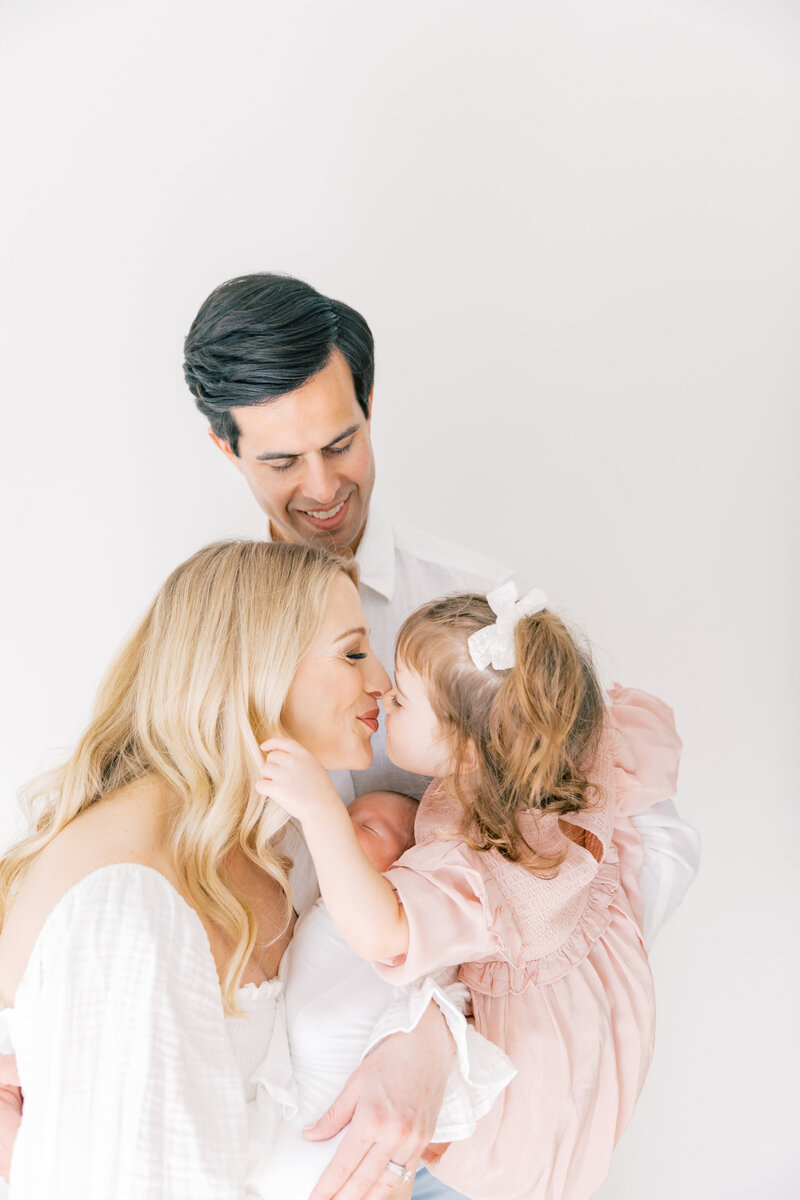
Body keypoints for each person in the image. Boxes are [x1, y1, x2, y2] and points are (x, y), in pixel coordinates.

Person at [0, 541, 468, 1198]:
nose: (382, 682)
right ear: (257, 666)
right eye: (353, 651)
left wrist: (425, 1040)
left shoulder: (285, 845)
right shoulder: (129, 903)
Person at [256, 583, 683, 1200]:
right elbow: (653, 744)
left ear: (462, 748)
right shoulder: (570, 752)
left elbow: (383, 932)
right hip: (599, 997)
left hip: (535, 1062)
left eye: (401, 700)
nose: (382, 694)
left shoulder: (472, 859)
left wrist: (322, 810)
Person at [249, 791, 515, 1199]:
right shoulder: (315, 904)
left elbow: (449, 984)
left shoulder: (402, 938)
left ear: (408, 866)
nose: (341, 827)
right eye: (345, 815)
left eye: (367, 827)